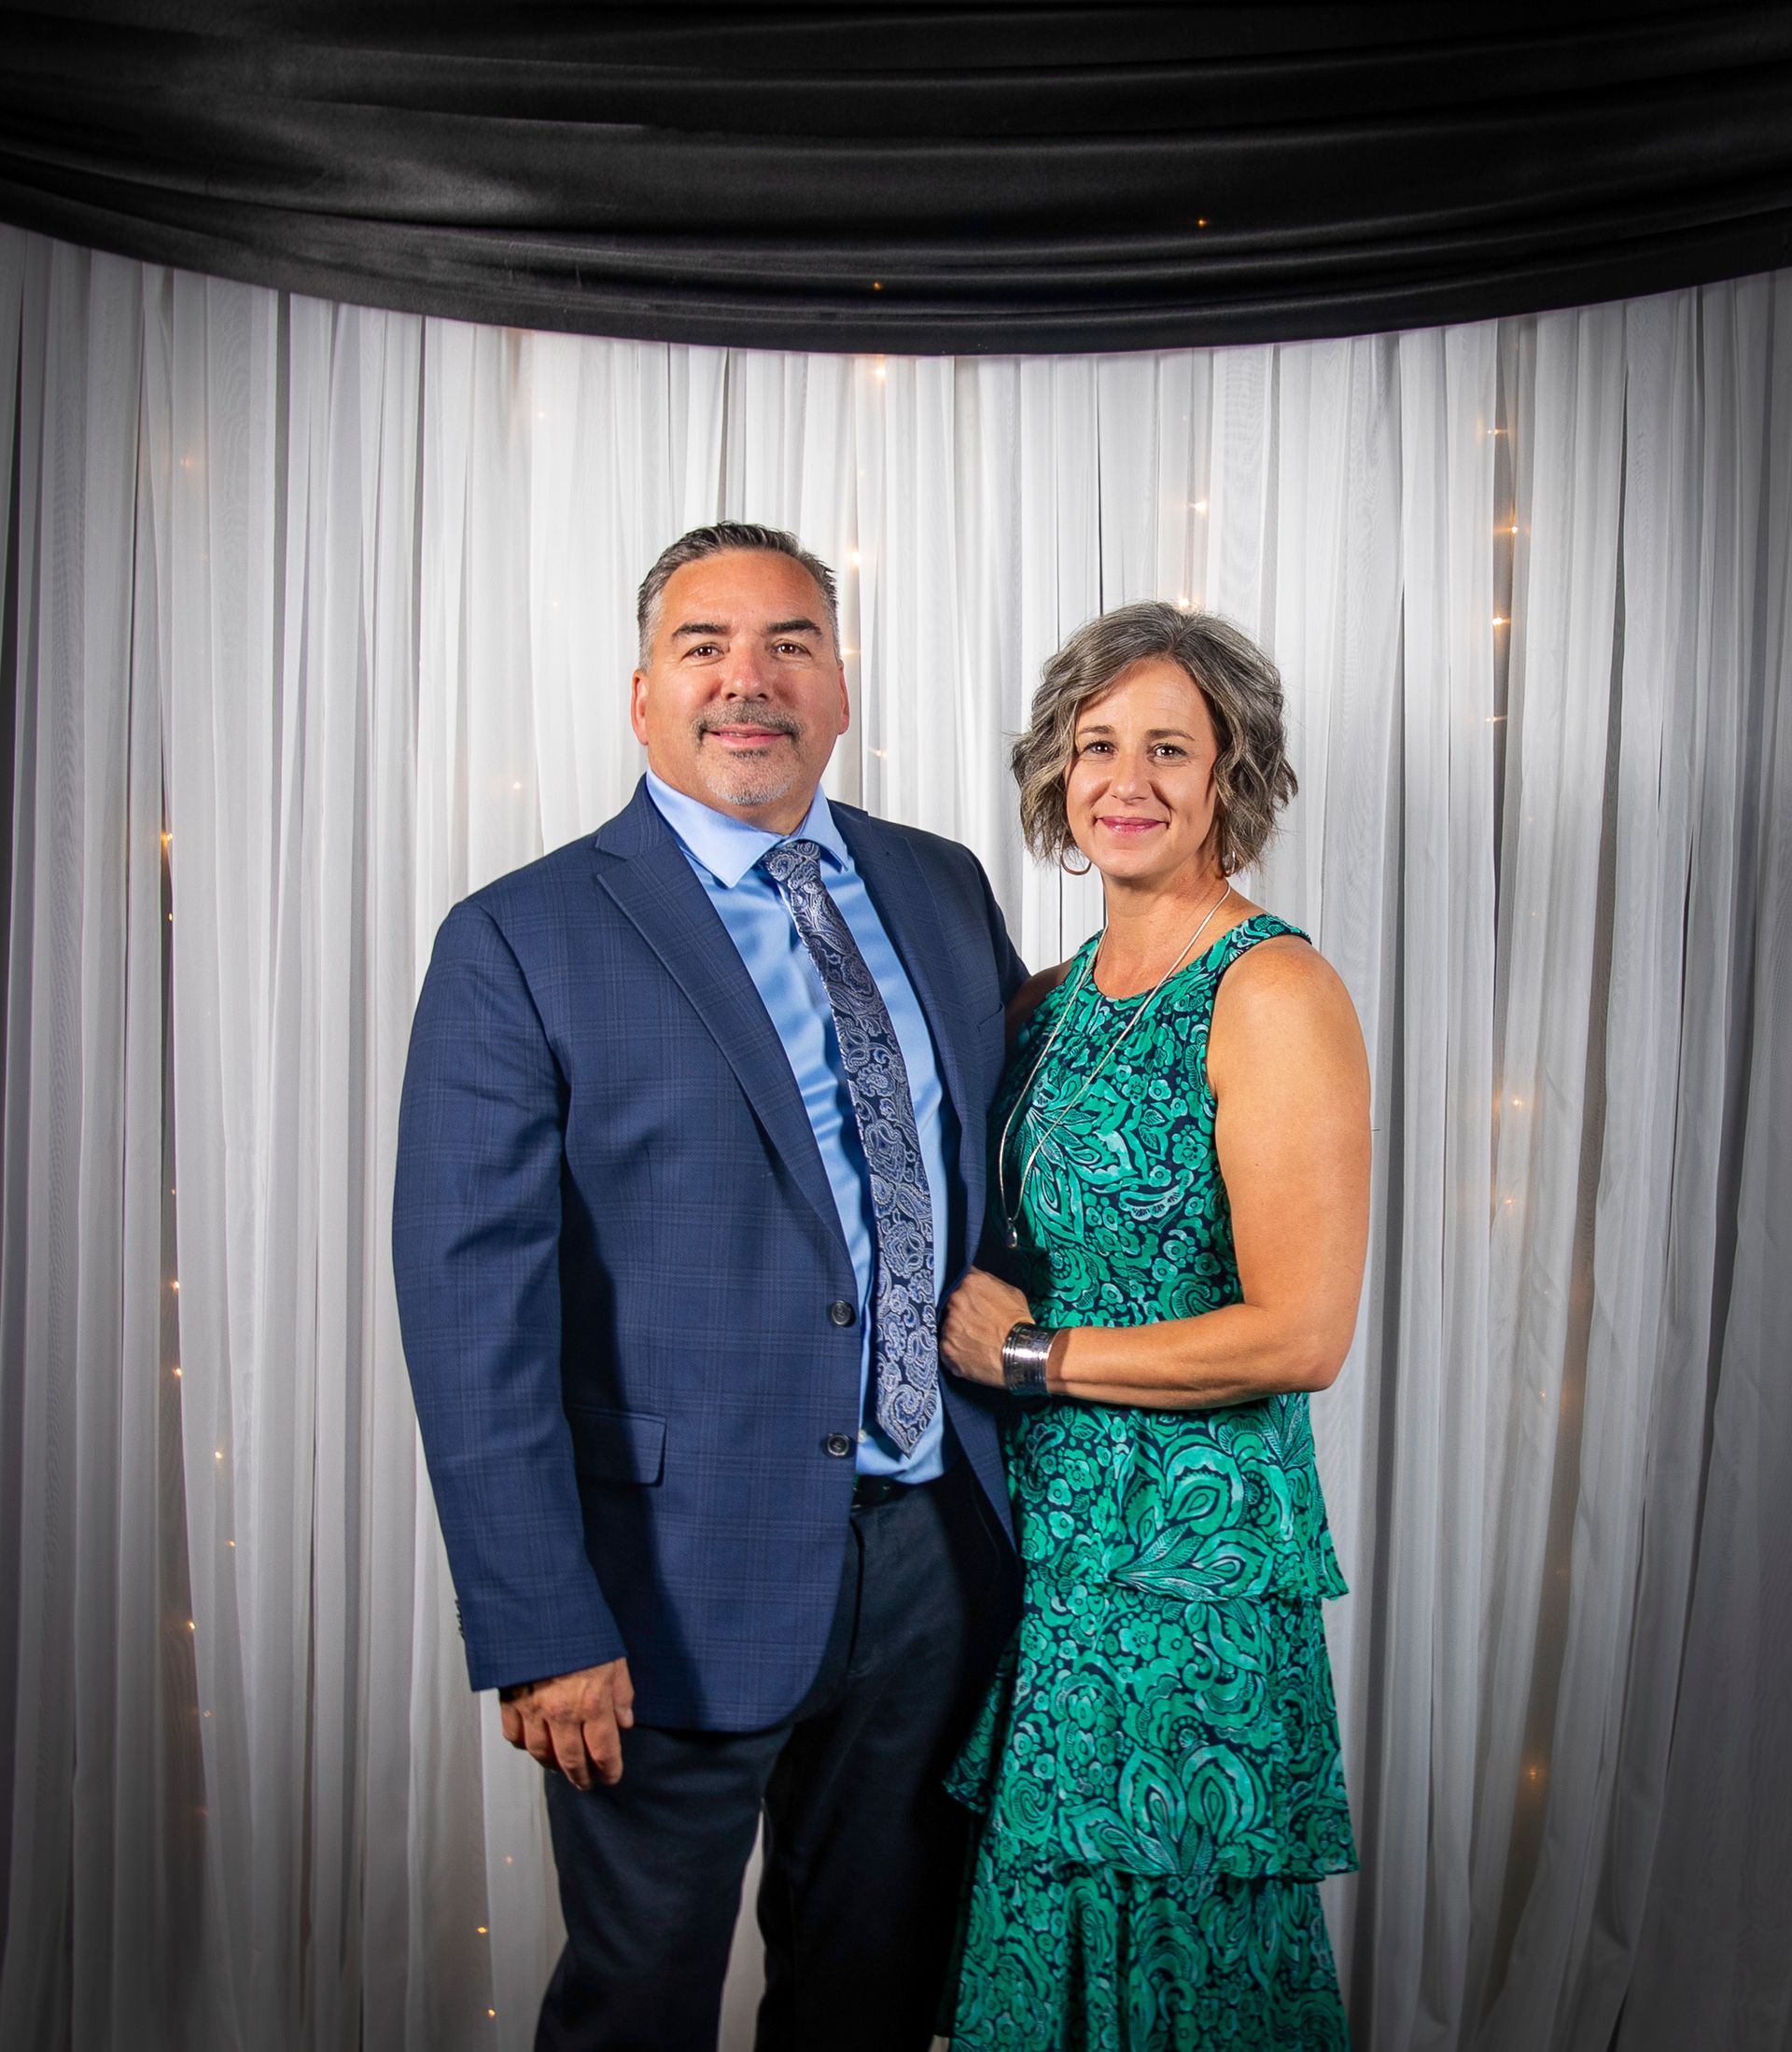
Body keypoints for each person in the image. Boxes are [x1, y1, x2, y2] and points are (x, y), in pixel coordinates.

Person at [392, 522, 1026, 2052]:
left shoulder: (938, 885)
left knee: (873, 1993)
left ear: (842, 685)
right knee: (638, 2005)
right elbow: (473, 1312)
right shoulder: (520, 939)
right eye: (706, 647)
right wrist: (538, 1620)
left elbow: (1002, 1163)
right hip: (659, 1585)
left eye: (791, 643)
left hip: (934, 1554)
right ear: (641, 694)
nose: (751, 682)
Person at [938, 602, 1369, 2050]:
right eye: (1097, 743)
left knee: (1182, 1940)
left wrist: (1037, 1358)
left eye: (1170, 748)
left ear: (1231, 776)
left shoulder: (1271, 989)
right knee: (1043, 1922)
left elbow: (1302, 1333)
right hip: (1053, 1555)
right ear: (1058, 772)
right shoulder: (1051, 1001)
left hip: (1195, 1570)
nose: (1127, 779)